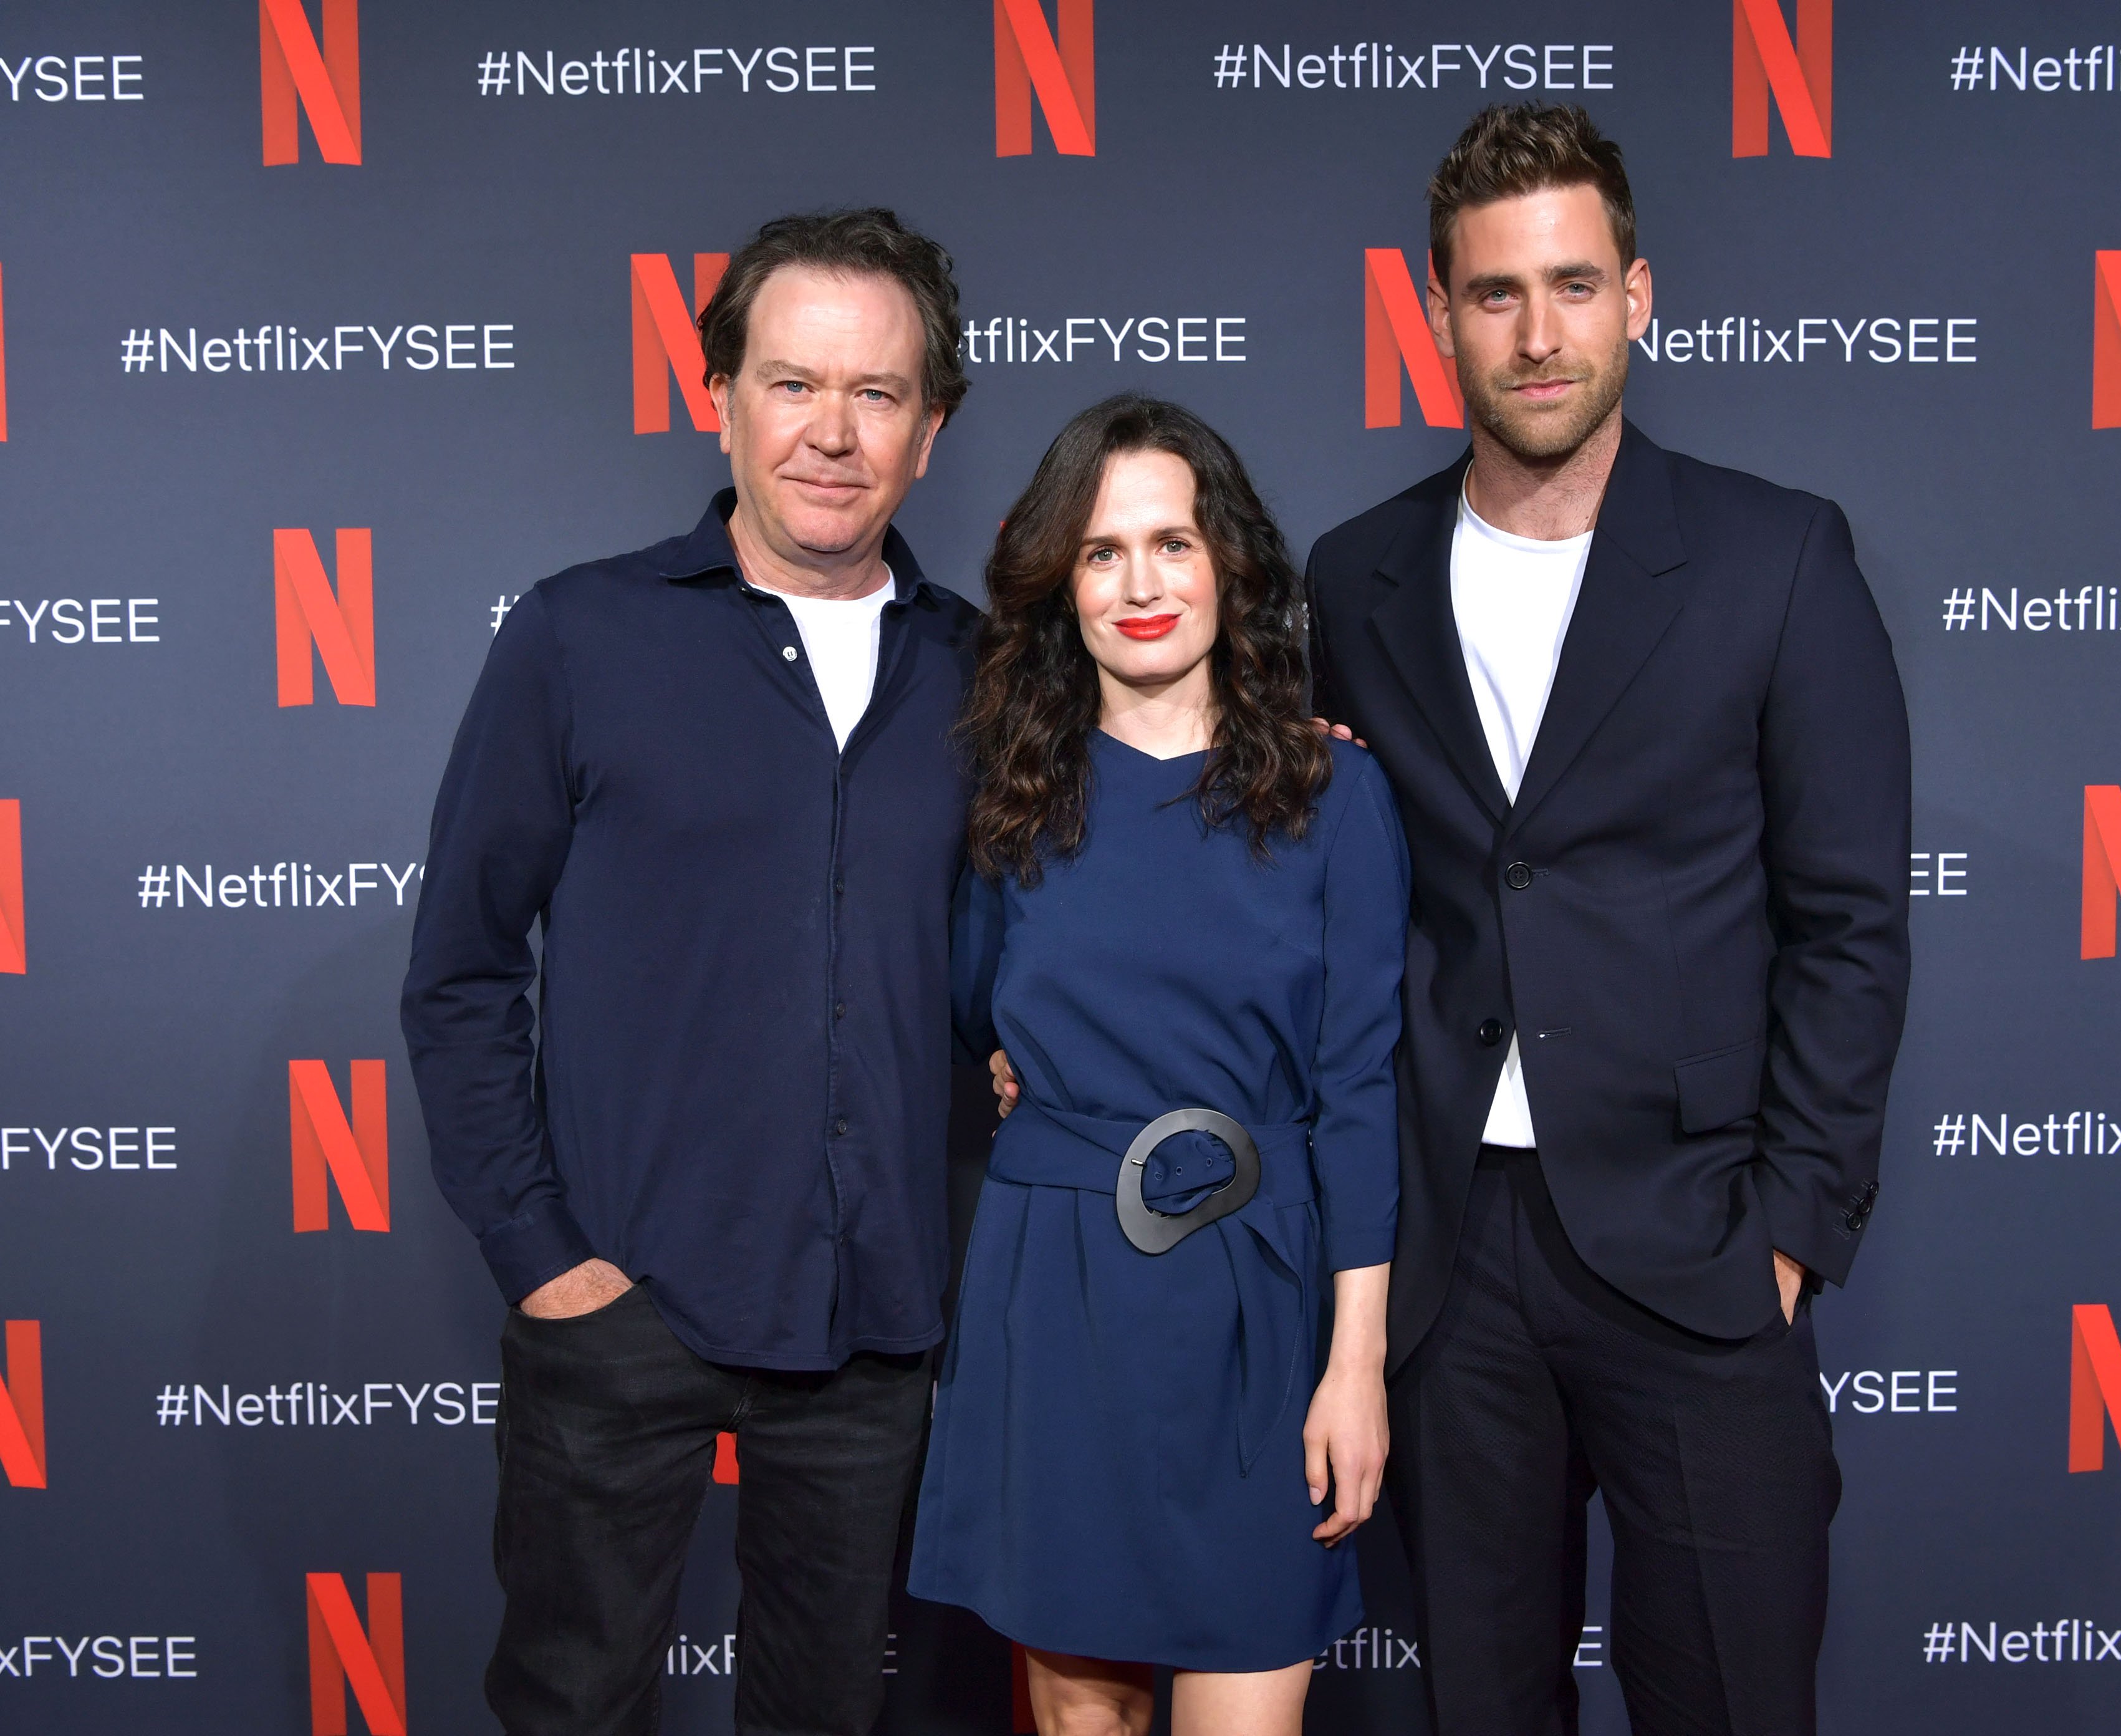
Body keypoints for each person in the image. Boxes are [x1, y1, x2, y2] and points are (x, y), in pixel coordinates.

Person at [1304, 105, 1912, 1735]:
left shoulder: (1774, 558)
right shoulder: (1353, 582)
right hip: (1454, 1255)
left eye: (1574, 284)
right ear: (1438, 316)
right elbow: (1306, 892)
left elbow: (1850, 920)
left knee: (1728, 1693)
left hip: (1699, 1239)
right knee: (1480, 1705)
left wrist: (1792, 1225)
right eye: (1496, 294)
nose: (1540, 330)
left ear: (1640, 294)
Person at [399, 208, 977, 1736]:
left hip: (876, 1331)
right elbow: (459, 969)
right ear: (717, 393)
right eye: (792, 384)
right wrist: (544, 1257)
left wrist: (1294, 755)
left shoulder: (992, 676)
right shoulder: (581, 638)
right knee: (573, 1705)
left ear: (933, 426)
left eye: (876, 395)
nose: (831, 435)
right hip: (622, 1305)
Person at [910, 395, 1408, 1736]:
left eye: (1172, 544)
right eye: (1101, 551)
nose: (1142, 584)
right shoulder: (1016, 799)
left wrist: (1352, 1365)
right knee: (1081, 1721)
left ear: (1228, 562)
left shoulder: (1333, 794)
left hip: (1261, 1302)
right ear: (1059, 585)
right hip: (1056, 1293)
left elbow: (1359, 1091)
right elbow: (975, 1018)